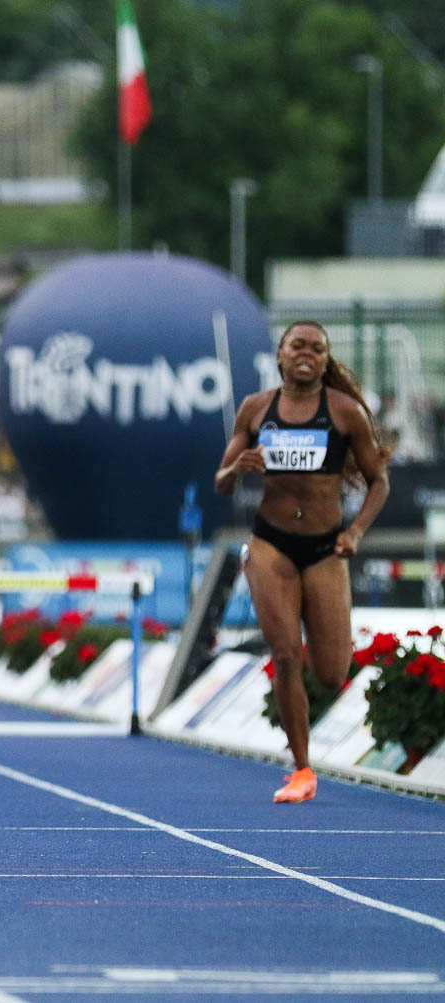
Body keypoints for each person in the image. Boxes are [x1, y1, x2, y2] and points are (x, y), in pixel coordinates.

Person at [215, 320, 390, 804]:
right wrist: (236, 469)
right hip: (271, 544)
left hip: (325, 548)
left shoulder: (344, 412)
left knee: (332, 672)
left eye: (317, 348)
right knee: (287, 654)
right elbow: (221, 483)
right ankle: (302, 769)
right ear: (281, 354)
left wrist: (355, 532)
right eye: (298, 345)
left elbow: (379, 481)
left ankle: (307, 737)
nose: (307, 354)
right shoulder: (256, 409)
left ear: (326, 359)